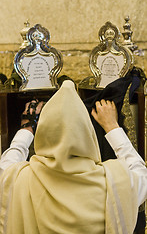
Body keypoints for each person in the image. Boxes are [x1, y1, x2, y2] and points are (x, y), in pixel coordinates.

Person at [0, 80, 146, 234]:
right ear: (87, 134)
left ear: (44, 133)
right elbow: (141, 173)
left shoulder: (19, 180)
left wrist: (27, 129)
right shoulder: (114, 182)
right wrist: (112, 127)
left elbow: (7, 164)